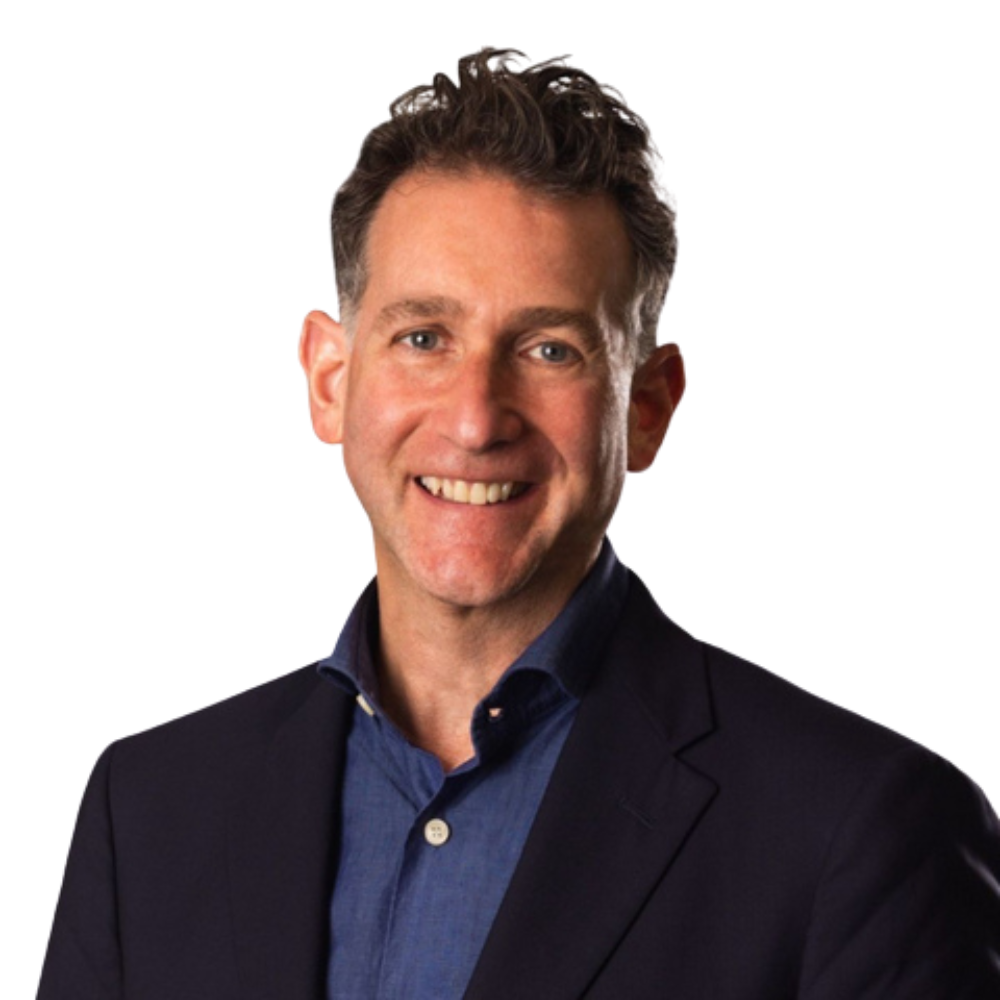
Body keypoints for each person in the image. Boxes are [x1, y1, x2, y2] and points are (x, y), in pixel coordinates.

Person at [38, 48, 1000, 1000]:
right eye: (423, 337)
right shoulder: (151, 811)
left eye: (549, 348)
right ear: (331, 381)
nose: (474, 418)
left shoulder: (862, 829)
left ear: (648, 406)